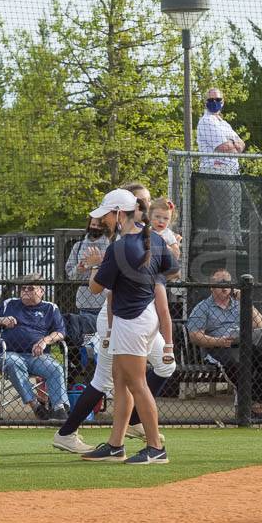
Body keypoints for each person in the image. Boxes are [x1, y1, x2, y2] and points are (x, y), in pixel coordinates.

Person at [53, 184, 177, 455]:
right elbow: (171, 271)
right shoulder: (153, 240)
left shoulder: (119, 248)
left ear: (120, 214)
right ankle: (115, 445)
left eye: (107, 215)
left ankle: (155, 447)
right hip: (136, 317)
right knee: (121, 382)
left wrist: (95, 267)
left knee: (136, 384)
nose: (103, 220)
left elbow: (95, 288)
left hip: (131, 319)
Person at [187, 268, 262, 418]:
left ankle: (256, 400)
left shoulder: (238, 304)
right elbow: (195, 336)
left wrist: (245, 301)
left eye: (228, 282)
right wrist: (218, 341)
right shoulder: (202, 308)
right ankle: (252, 405)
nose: (225, 286)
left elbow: (259, 324)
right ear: (212, 287)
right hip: (218, 347)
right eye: (221, 283)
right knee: (236, 365)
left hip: (242, 344)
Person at [0, 273, 69, 420]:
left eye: (31, 288)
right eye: (23, 288)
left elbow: (61, 332)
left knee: (55, 368)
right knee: (14, 363)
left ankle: (58, 408)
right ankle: (36, 405)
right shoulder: (9, 304)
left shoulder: (50, 308)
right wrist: (1, 320)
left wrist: (45, 340)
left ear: (41, 291)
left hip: (37, 356)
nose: (25, 291)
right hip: (9, 354)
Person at [196, 87, 245, 246]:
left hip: (232, 172)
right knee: (228, 213)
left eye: (217, 100)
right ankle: (230, 248)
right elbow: (224, 147)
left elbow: (241, 144)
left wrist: (233, 144)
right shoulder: (206, 121)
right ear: (205, 102)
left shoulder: (224, 123)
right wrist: (232, 144)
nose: (214, 102)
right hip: (216, 171)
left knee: (236, 213)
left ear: (223, 102)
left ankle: (238, 246)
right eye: (211, 100)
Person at [64, 216, 110, 320]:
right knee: (87, 335)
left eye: (99, 225)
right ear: (89, 225)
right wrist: (79, 269)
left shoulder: (111, 246)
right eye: (93, 224)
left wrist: (97, 264)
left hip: (106, 301)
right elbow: (70, 274)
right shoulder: (78, 246)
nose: (96, 227)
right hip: (84, 302)